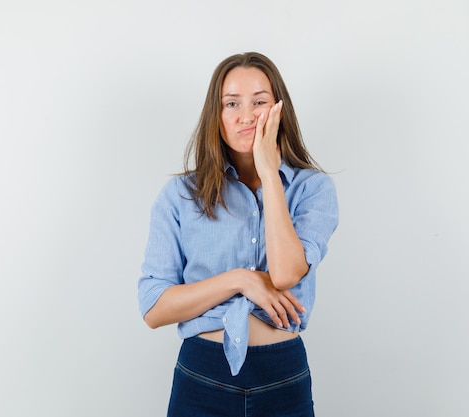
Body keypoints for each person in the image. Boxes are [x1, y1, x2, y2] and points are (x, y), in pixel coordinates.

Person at [138, 52, 339, 417]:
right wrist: (240, 280)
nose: (246, 116)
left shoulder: (312, 188)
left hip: (282, 375)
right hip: (203, 376)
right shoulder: (180, 195)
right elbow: (153, 308)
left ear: (278, 109)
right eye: (232, 103)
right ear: (216, 116)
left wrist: (269, 171)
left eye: (259, 102)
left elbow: (285, 274)